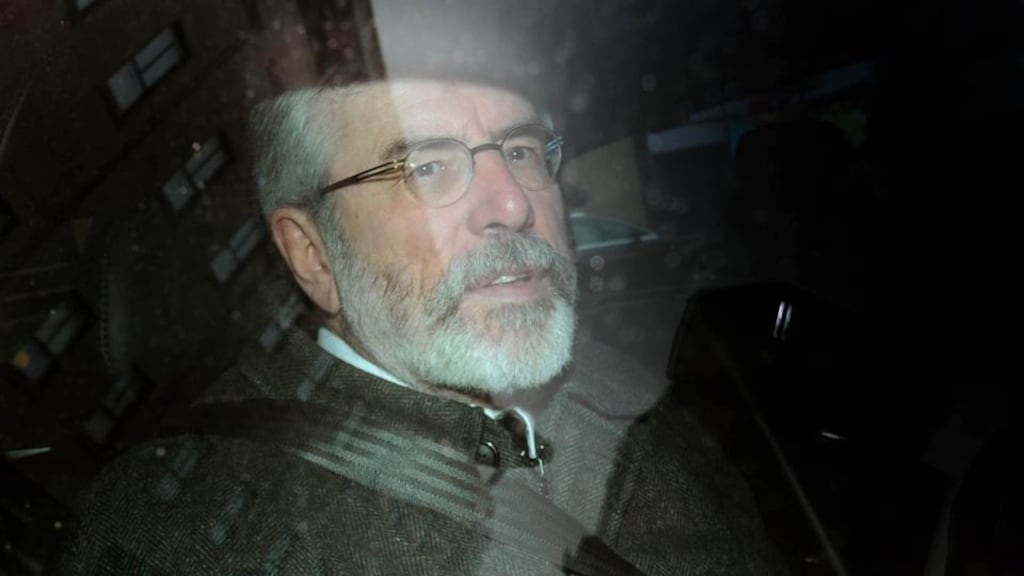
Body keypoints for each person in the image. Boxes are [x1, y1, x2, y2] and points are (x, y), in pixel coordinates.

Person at [58, 79, 786, 575]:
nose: (512, 202)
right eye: (428, 166)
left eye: (524, 150)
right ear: (313, 257)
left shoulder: (627, 380)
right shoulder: (182, 531)